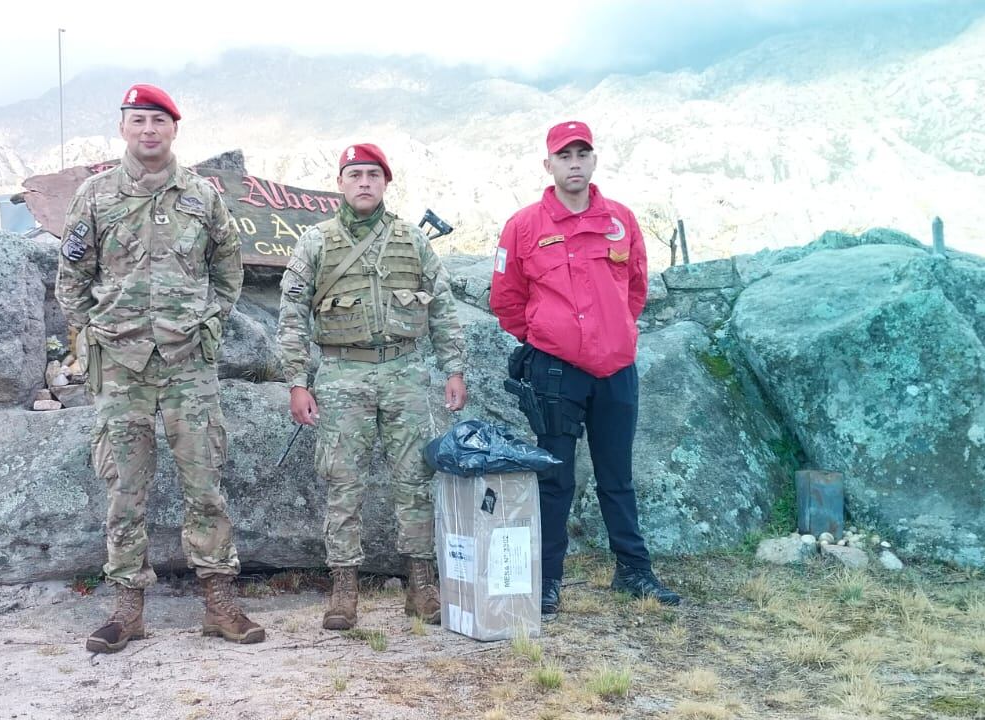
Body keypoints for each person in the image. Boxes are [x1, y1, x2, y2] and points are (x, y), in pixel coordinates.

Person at [56, 83, 264, 653]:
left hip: (187, 363)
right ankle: (127, 609)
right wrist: (95, 332)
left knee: (205, 485)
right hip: (121, 366)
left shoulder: (201, 196)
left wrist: (209, 324)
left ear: (175, 129)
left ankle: (220, 604)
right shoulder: (95, 196)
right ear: (123, 127)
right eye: (138, 119)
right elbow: (70, 279)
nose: (149, 130)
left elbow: (228, 270)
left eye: (159, 121)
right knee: (124, 488)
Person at [489, 121, 681, 620]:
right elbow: (506, 299)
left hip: (616, 368)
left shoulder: (621, 220)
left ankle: (634, 572)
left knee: (617, 475)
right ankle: (547, 580)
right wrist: (544, 338)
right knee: (555, 478)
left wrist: (613, 332)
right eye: (564, 155)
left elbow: (635, 288)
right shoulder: (523, 226)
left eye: (583, 153)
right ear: (548, 165)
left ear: (594, 160)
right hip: (556, 371)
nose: (574, 163)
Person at [275, 143, 468, 630]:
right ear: (340, 182)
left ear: (386, 183)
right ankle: (344, 588)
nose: (364, 182)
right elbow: (292, 317)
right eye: (355, 174)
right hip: (341, 375)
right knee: (342, 483)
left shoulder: (412, 240)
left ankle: (421, 583)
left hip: (404, 371)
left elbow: (442, 307)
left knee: (415, 480)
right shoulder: (315, 242)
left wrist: (454, 368)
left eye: (373, 175)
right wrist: (298, 382)